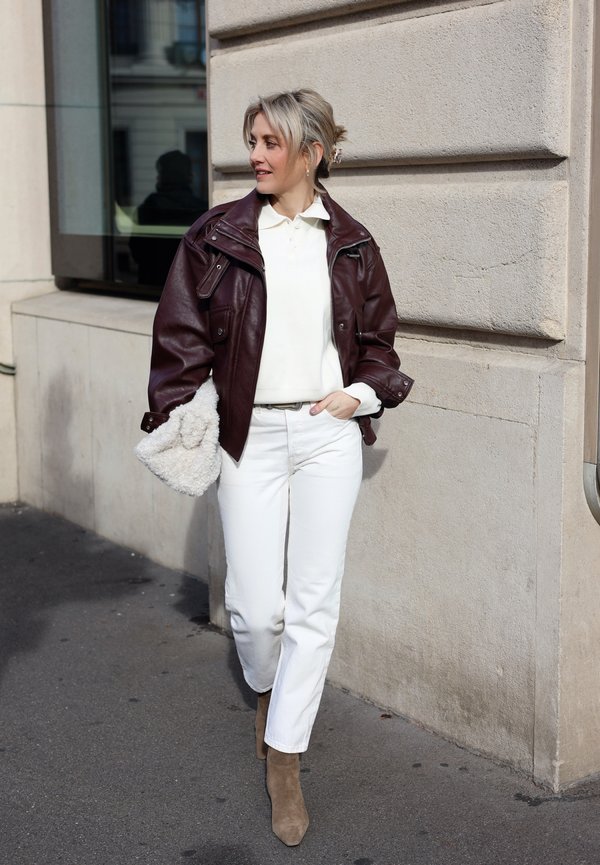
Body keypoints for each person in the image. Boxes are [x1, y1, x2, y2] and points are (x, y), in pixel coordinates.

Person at [140, 89, 413, 846]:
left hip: (325, 430)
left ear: (314, 150)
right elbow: (179, 334)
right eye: (251, 139)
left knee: (315, 600)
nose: (256, 154)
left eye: (271, 141)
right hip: (247, 434)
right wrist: (180, 404)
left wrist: (358, 394)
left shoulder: (352, 242)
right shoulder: (217, 235)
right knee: (256, 608)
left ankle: (286, 756)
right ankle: (267, 688)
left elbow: (381, 343)